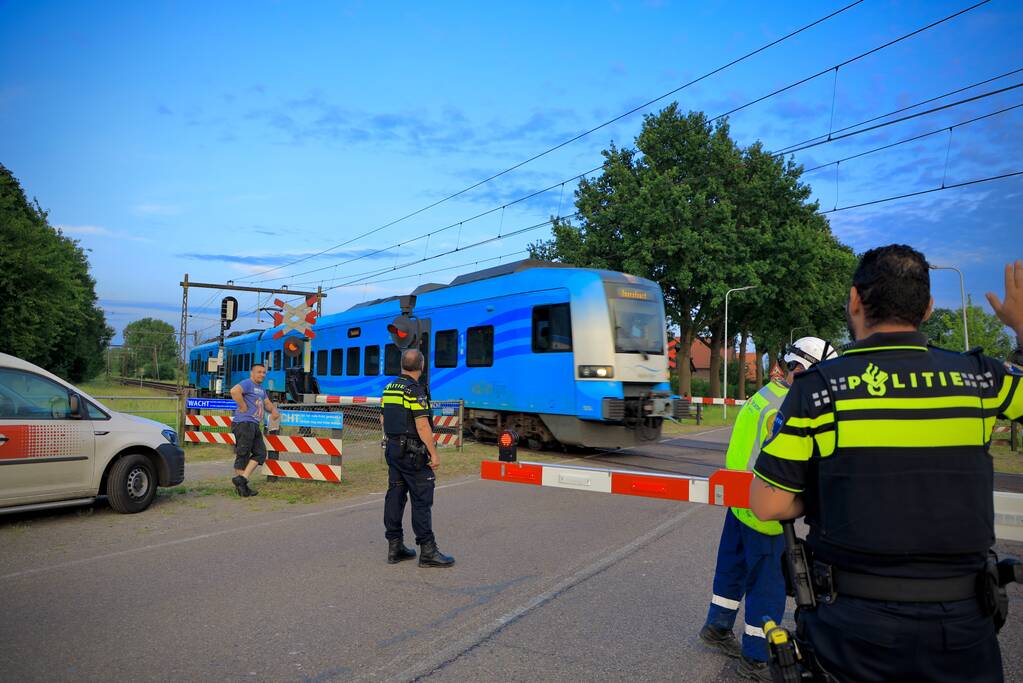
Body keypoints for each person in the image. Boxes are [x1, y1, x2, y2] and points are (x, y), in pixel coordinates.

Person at [750, 247, 1023, 682]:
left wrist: (827, 494)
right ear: (928, 308)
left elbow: (767, 504)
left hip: (850, 633)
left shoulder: (818, 389)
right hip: (963, 628)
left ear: (854, 301)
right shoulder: (980, 378)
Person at [700, 336, 837, 682]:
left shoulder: (765, 395)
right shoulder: (788, 406)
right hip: (766, 511)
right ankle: (756, 657)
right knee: (768, 585)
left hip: (739, 501)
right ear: (802, 368)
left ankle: (717, 626)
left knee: (731, 569)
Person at [380, 349, 454, 567]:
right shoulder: (415, 390)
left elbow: (383, 419)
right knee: (421, 498)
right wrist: (434, 453)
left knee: (395, 495)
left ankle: (395, 547)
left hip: (394, 450)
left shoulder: (389, 388)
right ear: (421, 366)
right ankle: (428, 551)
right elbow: (422, 425)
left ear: (402, 365)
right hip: (413, 454)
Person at [229, 363, 280, 497]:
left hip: (254, 424)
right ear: (252, 373)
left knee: (260, 453)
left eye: (264, 372)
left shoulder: (261, 389)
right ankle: (242, 488)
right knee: (243, 454)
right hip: (244, 423)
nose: (262, 375)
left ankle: (242, 480)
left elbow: (267, 403)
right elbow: (234, 391)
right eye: (259, 372)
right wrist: (242, 405)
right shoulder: (247, 383)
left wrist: (274, 410)